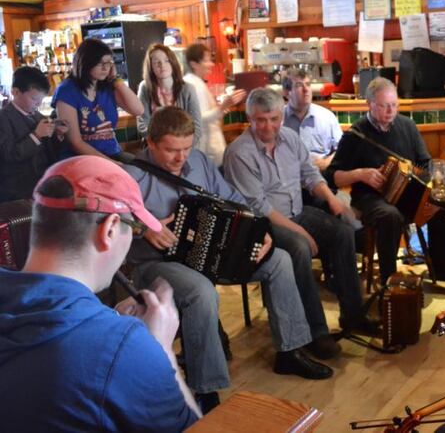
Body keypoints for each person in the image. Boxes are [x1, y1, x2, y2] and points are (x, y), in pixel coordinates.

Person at [125, 107, 333, 411]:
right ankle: (205, 388)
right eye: (171, 150)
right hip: (157, 263)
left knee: (279, 261)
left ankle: (290, 352)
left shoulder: (198, 160)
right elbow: (103, 219)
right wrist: (144, 229)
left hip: (211, 252)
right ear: (151, 143)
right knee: (201, 292)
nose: (180, 158)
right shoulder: (131, 175)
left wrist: (259, 230)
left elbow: (233, 198)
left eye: (186, 148)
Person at [0, 155, 200, 431]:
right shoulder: (123, 347)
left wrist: (105, 320)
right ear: (110, 230)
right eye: (135, 229)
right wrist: (161, 349)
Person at [224, 88, 369, 343]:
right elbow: (259, 206)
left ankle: (353, 316)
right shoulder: (239, 152)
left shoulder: (290, 138)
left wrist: (333, 200)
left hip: (297, 212)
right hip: (262, 225)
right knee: (299, 248)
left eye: (273, 119)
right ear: (250, 119)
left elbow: (310, 175)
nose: (268, 126)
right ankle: (315, 332)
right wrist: (301, 232)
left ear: (281, 116)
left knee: (343, 232)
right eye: (260, 120)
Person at [325, 77, 445, 295]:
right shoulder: (356, 134)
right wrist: (360, 174)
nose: (391, 110)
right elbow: (331, 176)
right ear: (369, 104)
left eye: (394, 105)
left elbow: (425, 163)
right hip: (371, 198)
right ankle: (389, 285)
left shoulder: (407, 126)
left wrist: (430, 179)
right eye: (384, 105)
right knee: (390, 216)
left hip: (410, 196)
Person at [52, 37, 144, 158]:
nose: (106, 68)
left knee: (141, 171)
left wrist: (116, 79)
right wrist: (112, 163)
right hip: (81, 158)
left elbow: (138, 110)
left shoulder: (107, 86)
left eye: (109, 63)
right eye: (101, 63)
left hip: (112, 153)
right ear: (86, 62)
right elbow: (75, 142)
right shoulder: (67, 90)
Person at [0, 67, 66, 202]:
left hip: (44, 183)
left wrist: (58, 135)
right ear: (15, 92)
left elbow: (50, 153)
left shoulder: (38, 116)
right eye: (34, 99)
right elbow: (8, 155)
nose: (38, 104)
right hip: (17, 190)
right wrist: (36, 136)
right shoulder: (3, 118)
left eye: (41, 99)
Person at [183, 43, 246, 167]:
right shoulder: (193, 85)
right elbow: (198, 119)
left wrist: (221, 108)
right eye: (206, 60)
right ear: (194, 64)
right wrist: (223, 106)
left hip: (207, 149)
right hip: (206, 149)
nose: (211, 64)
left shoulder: (195, 82)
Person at [137, 44, 202, 145]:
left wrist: (181, 149)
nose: (162, 65)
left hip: (184, 148)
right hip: (155, 148)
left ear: (173, 63)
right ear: (150, 67)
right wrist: (161, 146)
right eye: (156, 62)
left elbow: (197, 129)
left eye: (166, 60)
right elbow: (142, 125)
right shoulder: (145, 87)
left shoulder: (188, 89)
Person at [282, 68, 343, 172]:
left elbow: (342, 149)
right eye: (299, 85)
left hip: (321, 175)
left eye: (308, 84)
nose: (306, 90)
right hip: (286, 179)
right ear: (287, 93)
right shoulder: (276, 119)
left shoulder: (327, 116)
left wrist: (326, 162)